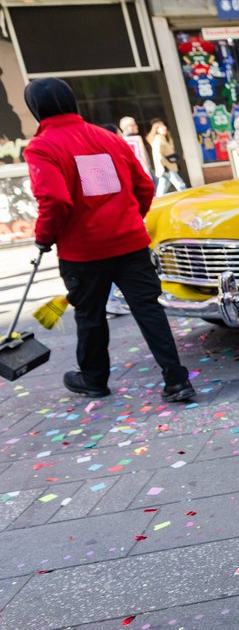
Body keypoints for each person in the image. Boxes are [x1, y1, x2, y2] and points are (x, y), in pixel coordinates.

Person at [23, 78, 195, 402]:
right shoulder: (107, 138)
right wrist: (130, 219)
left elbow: (55, 200)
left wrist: (44, 237)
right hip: (130, 243)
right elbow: (144, 186)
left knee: (90, 315)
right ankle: (177, 380)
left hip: (83, 252)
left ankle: (94, 379)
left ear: (36, 109)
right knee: (148, 310)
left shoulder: (42, 147)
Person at [147, 119, 187, 196]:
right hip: (166, 166)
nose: (164, 129)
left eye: (164, 127)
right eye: (162, 128)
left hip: (168, 165)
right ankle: (186, 195)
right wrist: (164, 166)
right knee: (180, 184)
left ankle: (158, 199)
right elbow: (157, 154)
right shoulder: (158, 139)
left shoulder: (165, 138)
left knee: (163, 186)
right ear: (157, 130)